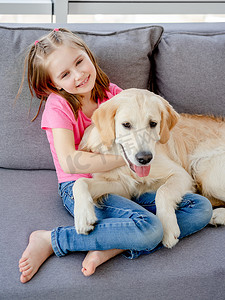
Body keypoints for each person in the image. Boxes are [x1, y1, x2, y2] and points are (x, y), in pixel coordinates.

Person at [18, 28, 212, 284]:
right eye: (65, 74)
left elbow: (143, 125)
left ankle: (116, 244)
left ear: (88, 55)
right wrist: (127, 159)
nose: (78, 75)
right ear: (54, 83)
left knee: (201, 208)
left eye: (79, 62)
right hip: (84, 186)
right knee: (151, 228)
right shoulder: (59, 107)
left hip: (126, 183)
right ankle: (52, 239)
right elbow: (69, 161)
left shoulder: (112, 94)